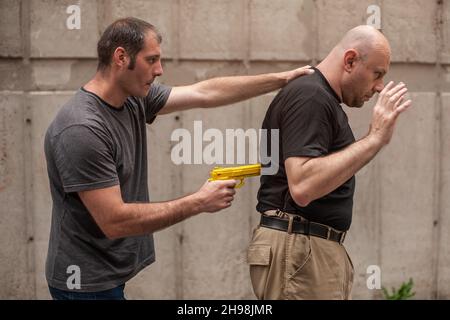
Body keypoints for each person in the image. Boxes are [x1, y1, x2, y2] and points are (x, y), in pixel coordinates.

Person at [43, 17, 313, 300]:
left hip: (109, 272)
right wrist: (198, 201)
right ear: (121, 57)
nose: (159, 70)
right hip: (85, 283)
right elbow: (114, 221)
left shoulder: (132, 98)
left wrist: (282, 79)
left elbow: (205, 92)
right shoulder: (82, 129)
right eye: (152, 60)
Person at [247, 25, 412, 300]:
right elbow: (303, 185)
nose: (380, 86)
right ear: (350, 61)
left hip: (304, 250)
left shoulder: (318, 98)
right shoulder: (311, 97)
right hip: (300, 250)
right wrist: (375, 139)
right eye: (377, 73)